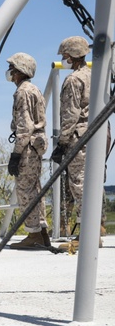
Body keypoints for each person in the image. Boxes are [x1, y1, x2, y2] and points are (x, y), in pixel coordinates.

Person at [52, 35, 98, 237]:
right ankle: (95, 227)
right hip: (95, 134)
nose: (63, 58)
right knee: (92, 181)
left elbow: (70, 114)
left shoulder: (73, 79)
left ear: (71, 56)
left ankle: (87, 234)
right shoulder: (93, 76)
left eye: (64, 55)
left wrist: (62, 143)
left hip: (78, 137)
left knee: (79, 184)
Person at [4, 53, 50, 250]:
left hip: (28, 146)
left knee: (25, 190)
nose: (10, 73)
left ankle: (34, 234)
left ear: (20, 71)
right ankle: (41, 232)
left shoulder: (23, 92)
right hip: (35, 145)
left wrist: (16, 154)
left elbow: (24, 126)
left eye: (13, 69)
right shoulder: (34, 89)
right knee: (34, 189)